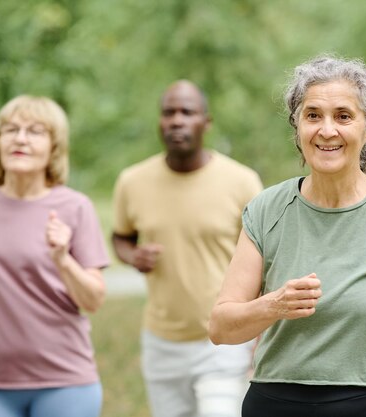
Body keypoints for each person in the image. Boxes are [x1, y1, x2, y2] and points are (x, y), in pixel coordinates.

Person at [209, 54, 366, 417]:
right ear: (296, 124)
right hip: (277, 402)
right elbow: (221, 328)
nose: (327, 130)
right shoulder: (265, 211)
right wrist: (273, 305)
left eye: (343, 116)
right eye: (313, 115)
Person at [0, 95, 109, 417]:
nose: (20, 138)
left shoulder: (75, 206)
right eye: (10, 129)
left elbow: (93, 300)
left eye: (35, 131)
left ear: (54, 147)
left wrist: (63, 259)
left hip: (65, 382)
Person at [111, 79, 264, 417]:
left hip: (223, 340)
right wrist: (132, 256)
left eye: (187, 112)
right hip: (161, 341)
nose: (177, 120)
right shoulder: (132, 182)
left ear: (205, 123)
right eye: (168, 113)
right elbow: (121, 236)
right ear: (159, 122)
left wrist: (257, 333)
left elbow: (265, 260)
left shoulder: (242, 182)